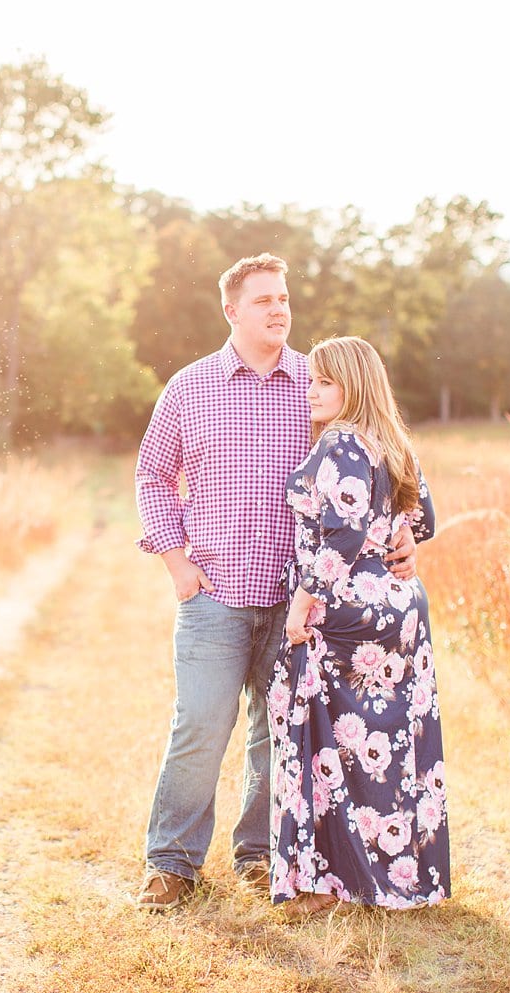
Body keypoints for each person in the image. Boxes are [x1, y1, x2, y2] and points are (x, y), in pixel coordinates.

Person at [133, 255, 417, 912]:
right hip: (215, 596)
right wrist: (176, 562)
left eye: (283, 297)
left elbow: (382, 450)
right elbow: (151, 476)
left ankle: (261, 855)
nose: (277, 309)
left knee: (279, 733)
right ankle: (171, 862)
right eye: (262, 299)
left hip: (300, 599)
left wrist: (402, 523)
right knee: (201, 724)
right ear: (230, 310)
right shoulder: (189, 387)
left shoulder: (317, 386)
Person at [268, 336, 448, 916]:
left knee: (321, 738)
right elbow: (424, 519)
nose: (311, 390)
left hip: (344, 609)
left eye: (324, 381)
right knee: (387, 743)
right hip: (398, 606)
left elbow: (342, 536)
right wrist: (398, 543)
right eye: (312, 380)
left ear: (352, 386)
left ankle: (326, 884)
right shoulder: (391, 440)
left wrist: (301, 602)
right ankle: (394, 875)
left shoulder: (343, 441)